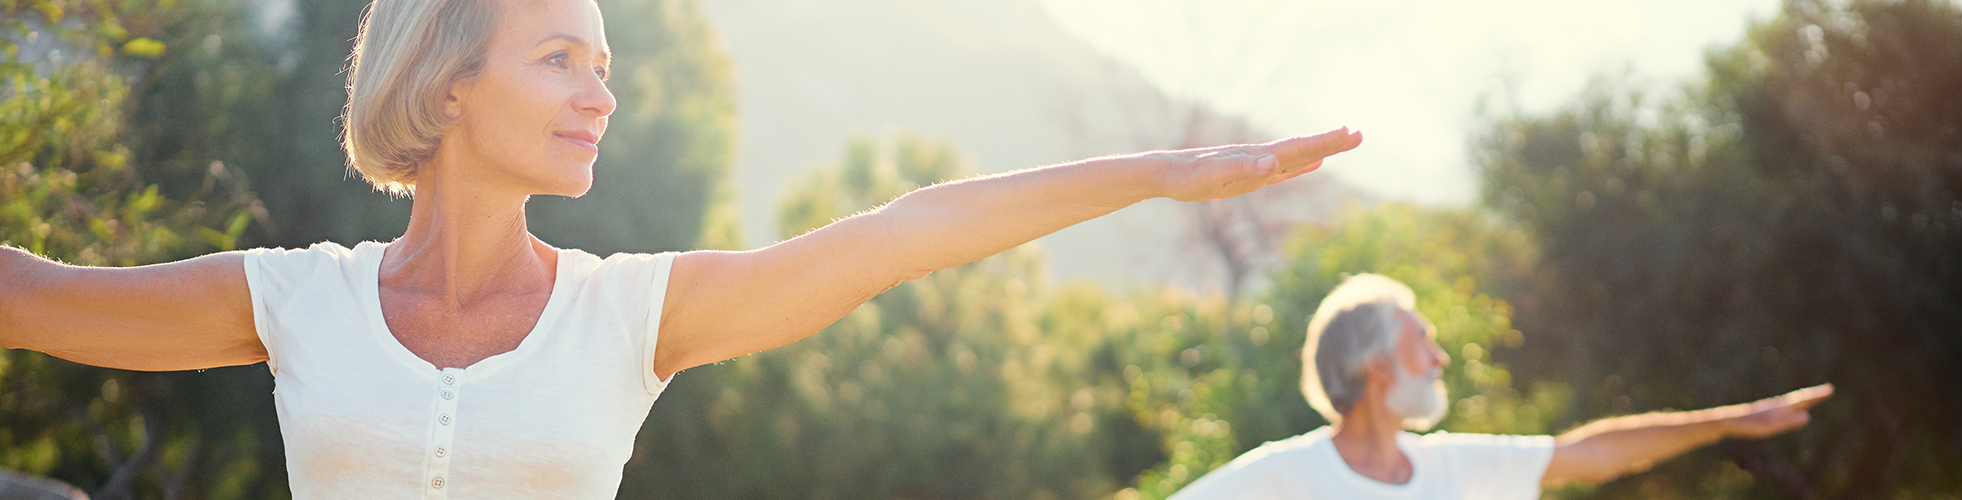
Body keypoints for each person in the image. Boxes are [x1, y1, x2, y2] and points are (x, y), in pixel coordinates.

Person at [0, 0, 1362, 497]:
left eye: (606, 63)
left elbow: (909, 232)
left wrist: (1166, 174)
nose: (604, 92)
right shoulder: (296, 302)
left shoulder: (632, 316)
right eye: (559, 59)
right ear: (450, 81)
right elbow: (29, 295)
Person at [1168, 274, 1834, 500]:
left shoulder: (1452, 464)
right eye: (1419, 342)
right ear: (1376, 369)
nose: (1439, 357)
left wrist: (1727, 422)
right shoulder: (1283, 477)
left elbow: (1589, 454)